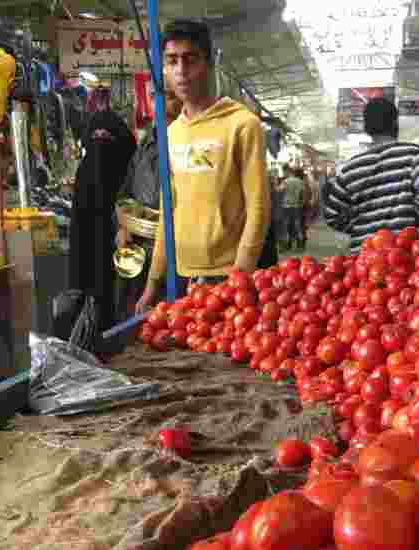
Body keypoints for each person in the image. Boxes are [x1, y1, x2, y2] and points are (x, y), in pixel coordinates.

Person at [136, 19, 270, 312]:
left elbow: (258, 207)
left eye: (190, 59)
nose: (181, 71)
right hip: (181, 274)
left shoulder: (242, 124)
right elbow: (167, 210)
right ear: (165, 70)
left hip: (228, 274)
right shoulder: (171, 133)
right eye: (172, 61)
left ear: (207, 63)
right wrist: (152, 283)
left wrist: (241, 274)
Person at [324, 98, 419, 253]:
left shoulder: (350, 168)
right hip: (402, 253)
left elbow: (332, 215)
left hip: (364, 259)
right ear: (395, 123)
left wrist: (360, 229)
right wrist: (414, 219)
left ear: (366, 127)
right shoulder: (413, 154)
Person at [115, 88, 183, 320]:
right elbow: (126, 192)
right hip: (139, 247)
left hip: (177, 248)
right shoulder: (146, 143)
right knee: (134, 314)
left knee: (172, 318)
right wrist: (122, 227)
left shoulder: (189, 142)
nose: (161, 103)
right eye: (156, 97)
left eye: (170, 96)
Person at [69, 107, 136, 335]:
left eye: (106, 139)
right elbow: (78, 228)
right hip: (92, 255)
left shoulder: (129, 170)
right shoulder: (87, 171)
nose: (101, 147)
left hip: (124, 250)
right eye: (96, 139)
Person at [282, 166, 305, 250]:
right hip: (297, 206)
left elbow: (279, 190)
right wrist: (301, 203)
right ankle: (300, 244)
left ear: (288, 172)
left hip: (287, 206)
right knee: (298, 225)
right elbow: (303, 193)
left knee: (287, 226)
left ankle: (288, 244)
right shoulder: (300, 181)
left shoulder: (286, 181)